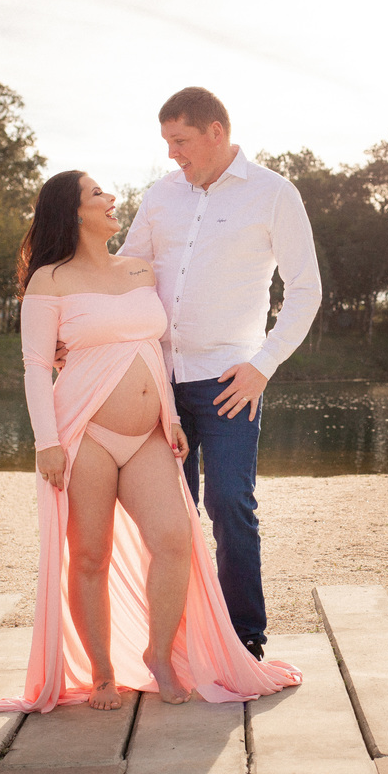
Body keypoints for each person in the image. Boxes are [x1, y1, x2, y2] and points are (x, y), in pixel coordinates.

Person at [0, 170, 300, 715]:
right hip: (83, 433)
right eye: (97, 194)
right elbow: (33, 368)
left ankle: (160, 654)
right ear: (73, 212)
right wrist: (45, 443)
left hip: (147, 435)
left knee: (174, 539)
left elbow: (155, 347)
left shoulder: (139, 269)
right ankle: (100, 673)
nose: (111, 198)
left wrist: (168, 415)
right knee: (90, 555)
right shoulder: (49, 281)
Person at [117, 87, 321, 660]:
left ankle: (243, 639)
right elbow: (128, 272)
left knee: (229, 503)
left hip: (231, 381)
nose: (171, 155)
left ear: (216, 132)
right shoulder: (160, 196)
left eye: (179, 141)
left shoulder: (274, 194)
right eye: (166, 143)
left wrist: (263, 364)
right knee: (168, 515)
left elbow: (305, 290)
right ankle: (175, 637)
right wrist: (71, 324)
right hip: (158, 380)